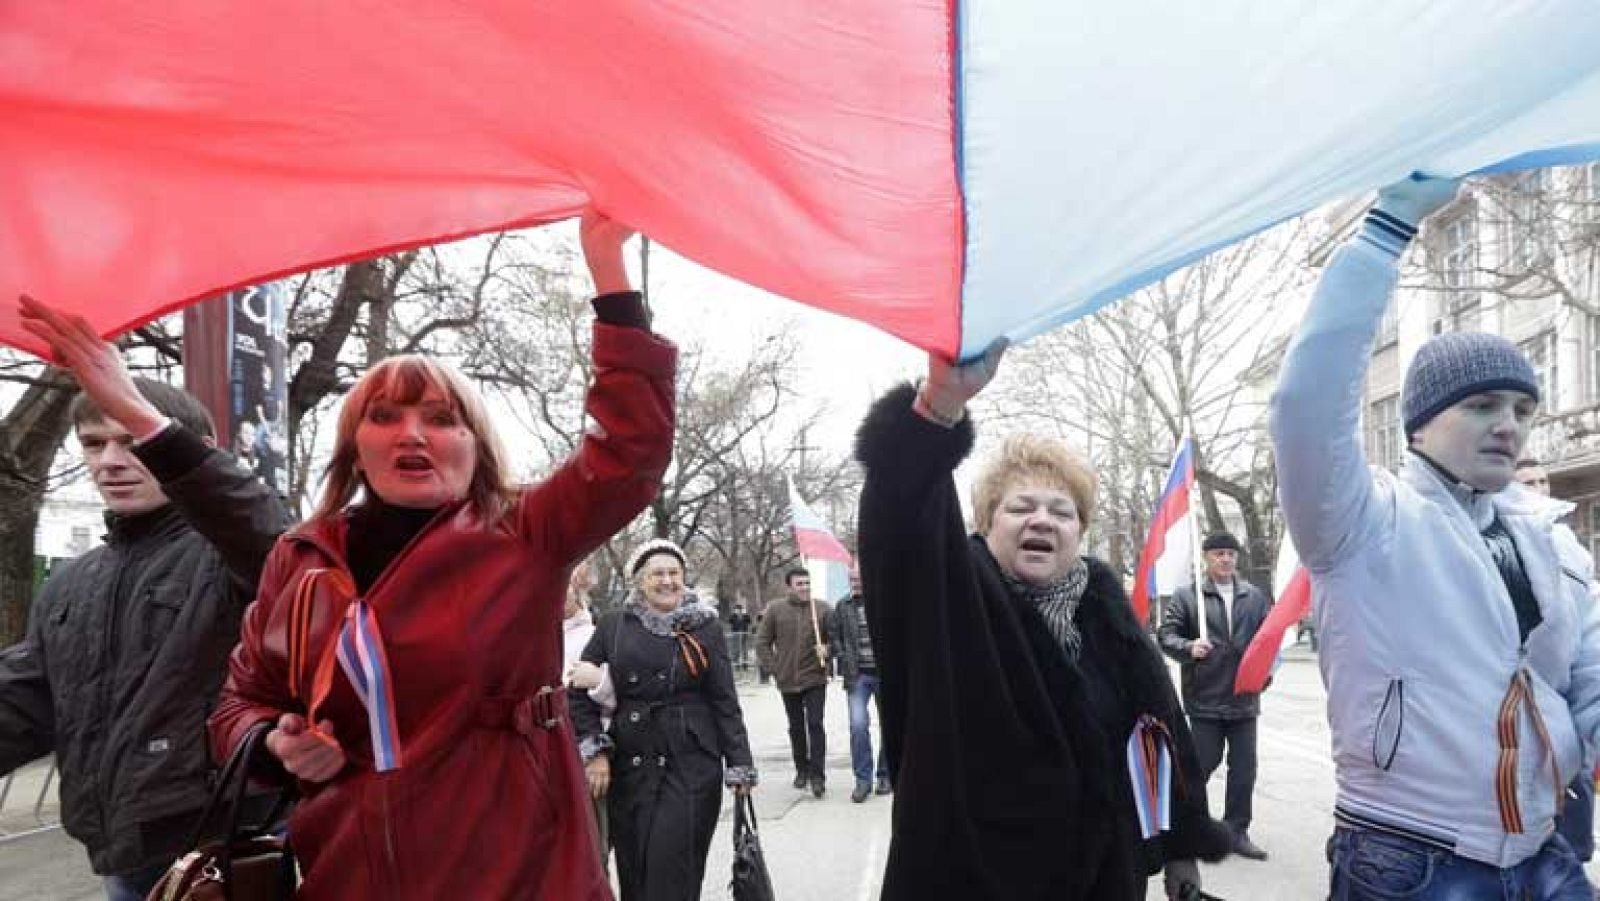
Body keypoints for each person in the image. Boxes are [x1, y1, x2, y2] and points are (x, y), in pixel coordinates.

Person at [208, 211, 677, 900]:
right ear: (355, 447)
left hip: (520, 878)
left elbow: (630, 453)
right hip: (347, 877)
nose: (412, 435)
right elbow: (239, 704)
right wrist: (277, 744)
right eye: (385, 416)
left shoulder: (525, 533)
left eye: (439, 418)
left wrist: (608, 269)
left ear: (475, 445)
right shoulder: (300, 558)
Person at [1271, 176, 1600, 899]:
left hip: (1542, 848)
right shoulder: (1362, 522)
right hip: (1407, 852)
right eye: (1482, 404)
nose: (1509, 425)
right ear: (1419, 423)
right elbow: (1304, 402)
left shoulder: (1554, 539)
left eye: (1522, 408)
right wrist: (1386, 230)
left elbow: (1590, 673)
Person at [855, 352, 1231, 899]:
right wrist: (938, 408)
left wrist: (1180, 847)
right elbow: (899, 519)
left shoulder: (1111, 624)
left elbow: (1161, 733)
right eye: (1021, 507)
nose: (1042, 520)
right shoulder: (947, 604)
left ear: (1079, 530)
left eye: (1061, 511)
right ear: (986, 522)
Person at [0, 296, 288, 901]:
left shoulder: (233, 553)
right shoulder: (72, 582)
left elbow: (266, 536)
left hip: (229, 854)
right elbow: (26, 703)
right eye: (93, 443)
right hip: (121, 859)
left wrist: (150, 423)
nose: (111, 461)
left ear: (190, 447)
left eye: (131, 440)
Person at [570, 538, 756, 900]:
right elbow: (576, 692)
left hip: (691, 764)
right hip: (631, 765)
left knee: (673, 873)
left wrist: (740, 764)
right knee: (635, 874)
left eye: (674, 573)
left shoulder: (705, 627)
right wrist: (595, 751)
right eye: (657, 574)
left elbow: (724, 701)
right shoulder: (613, 625)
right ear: (640, 580)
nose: (668, 581)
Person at [1158, 531, 1272, 861]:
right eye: (1218, 553)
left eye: (1230, 554)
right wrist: (1188, 647)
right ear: (1206, 558)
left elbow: (1267, 640)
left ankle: (1236, 831)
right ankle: (1186, 828)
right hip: (1205, 697)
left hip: (1243, 698)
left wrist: (1264, 675)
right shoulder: (1188, 596)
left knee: (1244, 770)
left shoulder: (1254, 597)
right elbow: (1166, 635)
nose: (1225, 559)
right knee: (1199, 767)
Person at [1515, 459, 1598, 878]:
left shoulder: (1572, 553)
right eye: (1528, 482)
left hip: (1567, 744)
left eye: (1543, 480)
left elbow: (1591, 665)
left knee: (1573, 851)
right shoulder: (1491, 543)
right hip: (1512, 751)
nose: (1539, 488)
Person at [756, 568, 833, 797]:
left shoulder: (822, 609)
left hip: (815, 677)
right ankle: (802, 769)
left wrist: (828, 649)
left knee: (816, 724)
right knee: (796, 727)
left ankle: (818, 776)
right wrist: (775, 669)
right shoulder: (775, 609)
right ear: (789, 586)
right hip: (788, 679)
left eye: (808, 583)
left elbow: (837, 639)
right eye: (800, 584)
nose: (805, 588)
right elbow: (762, 642)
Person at [562, 561, 611, 873]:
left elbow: (612, 701)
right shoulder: (530, 637)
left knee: (591, 854)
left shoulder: (593, 637)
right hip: (538, 759)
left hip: (582, 757)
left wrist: (596, 753)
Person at [830, 559, 892, 802]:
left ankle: (885, 775)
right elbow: (835, 635)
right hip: (858, 675)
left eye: (859, 579)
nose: (855, 583)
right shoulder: (842, 605)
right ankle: (863, 780)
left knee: (890, 726)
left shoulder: (884, 601)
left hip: (885, 674)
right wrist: (843, 656)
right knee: (858, 727)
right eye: (852, 579)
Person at [728, 604, 753, 671]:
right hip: (736, 635)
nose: (739, 611)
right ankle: (737, 665)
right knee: (736, 650)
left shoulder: (744, 616)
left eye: (740, 609)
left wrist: (745, 614)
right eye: (737, 609)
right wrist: (734, 614)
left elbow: (749, 621)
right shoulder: (734, 616)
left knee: (744, 650)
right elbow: (730, 621)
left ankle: (745, 665)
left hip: (744, 635)